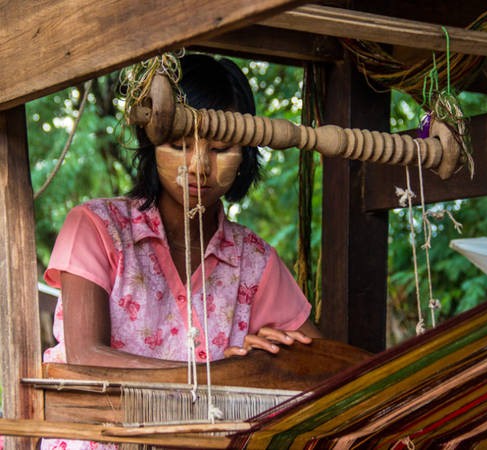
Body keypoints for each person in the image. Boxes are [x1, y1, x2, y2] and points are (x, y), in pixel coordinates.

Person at [41, 53, 321, 449]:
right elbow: (88, 357)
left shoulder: (253, 262)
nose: (199, 167)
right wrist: (226, 375)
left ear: (245, 156)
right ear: (151, 145)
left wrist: (269, 362)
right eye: (178, 145)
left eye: (221, 149)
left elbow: (320, 368)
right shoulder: (98, 228)